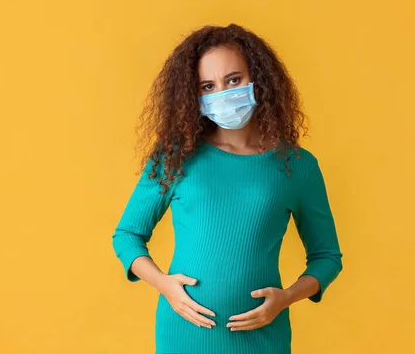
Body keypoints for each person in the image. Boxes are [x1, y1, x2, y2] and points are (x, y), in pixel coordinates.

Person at [111, 23, 343, 354]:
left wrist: (285, 298)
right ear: (194, 95)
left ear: (258, 81)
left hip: (262, 336)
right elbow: (127, 235)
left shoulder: (297, 165)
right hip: (184, 332)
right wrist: (166, 286)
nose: (221, 94)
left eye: (233, 80)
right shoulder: (176, 158)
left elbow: (327, 257)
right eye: (208, 86)